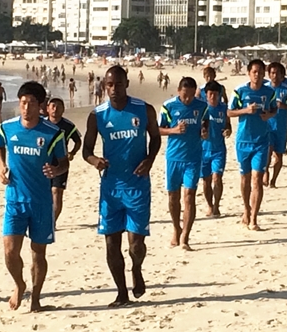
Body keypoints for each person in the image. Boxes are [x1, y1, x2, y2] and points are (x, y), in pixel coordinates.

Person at [82, 66, 161, 307]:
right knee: (111, 242)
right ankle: (121, 293)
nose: (114, 89)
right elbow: (86, 150)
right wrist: (96, 161)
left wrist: (149, 159)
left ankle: (136, 269)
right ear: (104, 86)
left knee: (136, 245)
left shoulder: (143, 110)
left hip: (137, 186)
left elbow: (156, 138)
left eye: (118, 84)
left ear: (127, 83)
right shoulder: (98, 115)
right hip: (111, 188)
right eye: (109, 85)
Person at [0, 81, 69, 312]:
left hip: (41, 202)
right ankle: (19, 284)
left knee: (38, 253)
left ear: (41, 106)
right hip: (15, 200)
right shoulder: (7, 128)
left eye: (31, 103)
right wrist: (1, 167)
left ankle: (36, 297)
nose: (26, 108)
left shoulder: (53, 133)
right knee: (9, 251)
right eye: (23, 103)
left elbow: (64, 162)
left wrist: (56, 170)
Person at [159, 77, 209, 250]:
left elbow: (205, 123)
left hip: (193, 158)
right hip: (173, 158)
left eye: (190, 96)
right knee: (173, 197)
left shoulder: (201, 106)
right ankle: (176, 228)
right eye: (185, 95)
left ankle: (185, 237)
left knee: (189, 196)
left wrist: (204, 131)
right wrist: (173, 130)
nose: (187, 99)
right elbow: (157, 129)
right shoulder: (168, 106)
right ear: (179, 91)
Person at [227, 59, 277, 231]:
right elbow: (229, 112)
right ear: (249, 73)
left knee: (257, 179)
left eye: (260, 72)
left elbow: (274, 109)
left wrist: (268, 115)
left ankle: (254, 218)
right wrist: (246, 110)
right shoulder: (240, 91)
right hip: (243, 141)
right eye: (254, 72)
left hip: (261, 141)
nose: (257, 75)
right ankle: (246, 209)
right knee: (245, 179)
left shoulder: (269, 91)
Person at [46, 97, 82, 225]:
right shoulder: (41, 124)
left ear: (63, 109)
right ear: (47, 109)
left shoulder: (68, 125)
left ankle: (52, 222)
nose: (55, 109)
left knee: (56, 192)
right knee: (44, 193)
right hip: (43, 164)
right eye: (53, 106)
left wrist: (72, 152)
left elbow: (78, 140)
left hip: (61, 164)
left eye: (58, 106)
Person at [264, 63, 287, 188]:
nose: (275, 75)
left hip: (281, 126)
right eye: (272, 73)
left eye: (277, 73)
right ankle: (266, 172)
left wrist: (284, 106)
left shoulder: (286, 88)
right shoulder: (265, 88)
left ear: (282, 75)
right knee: (267, 152)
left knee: (278, 155)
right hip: (267, 126)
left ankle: (273, 181)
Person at [201, 81, 231, 217]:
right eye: (210, 94)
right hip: (202, 150)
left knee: (217, 178)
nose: (213, 97)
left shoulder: (224, 108)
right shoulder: (201, 109)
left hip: (218, 150)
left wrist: (228, 131)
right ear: (206, 95)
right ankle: (209, 205)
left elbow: (228, 125)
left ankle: (217, 206)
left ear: (219, 95)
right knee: (206, 180)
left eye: (216, 94)